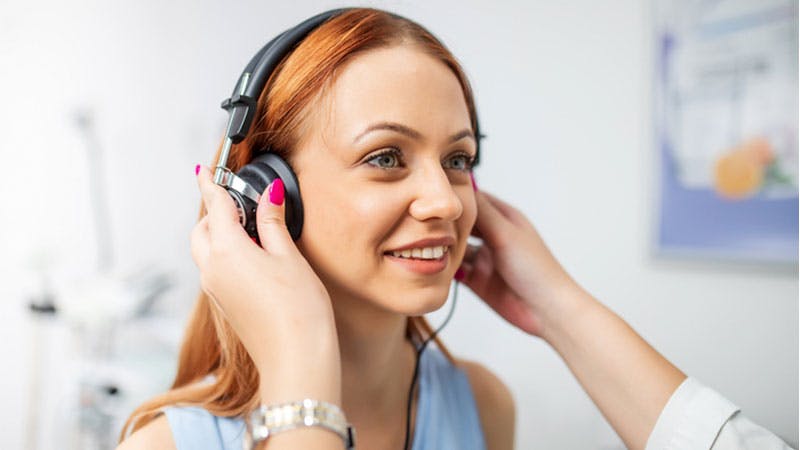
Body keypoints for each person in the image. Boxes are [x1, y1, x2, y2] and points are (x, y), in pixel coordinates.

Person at [117, 7, 794, 450]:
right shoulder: (163, 444)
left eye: (459, 159)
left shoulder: (485, 405)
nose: (445, 201)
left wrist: (555, 304)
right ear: (268, 194)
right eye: (386, 157)